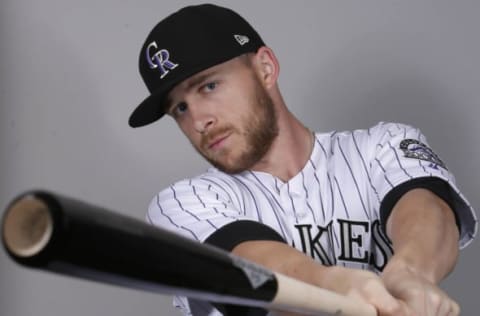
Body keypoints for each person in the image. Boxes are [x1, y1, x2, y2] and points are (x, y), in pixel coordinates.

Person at [128, 4, 477, 316]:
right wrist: (329, 285)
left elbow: (428, 212)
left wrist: (410, 274)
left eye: (208, 86)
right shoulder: (179, 206)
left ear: (265, 68)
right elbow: (249, 267)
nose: (198, 120)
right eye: (180, 108)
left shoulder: (381, 146)